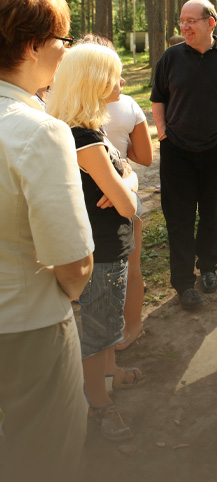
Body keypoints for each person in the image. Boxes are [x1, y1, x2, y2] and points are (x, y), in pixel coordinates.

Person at [0, 0, 94, 482]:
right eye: (63, 40)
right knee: (47, 467)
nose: (66, 53)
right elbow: (74, 262)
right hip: (30, 329)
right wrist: (74, 290)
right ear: (33, 44)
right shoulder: (40, 130)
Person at [48, 43, 141, 440]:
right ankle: (97, 405)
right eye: (114, 74)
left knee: (106, 323)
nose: (121, 81)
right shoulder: (84, 135)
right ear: (93, 81)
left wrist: (126, 183)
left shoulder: (88, 126)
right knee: (99, 326)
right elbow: (127, 205)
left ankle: (109, 374)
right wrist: (126, 188)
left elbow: (129, 182)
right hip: (101, 249)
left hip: (107, 245)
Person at [151, 0, 217, 310]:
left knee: (213, 213)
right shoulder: (170, 57)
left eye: (191, 21)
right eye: (182, 21)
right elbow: (158, 101)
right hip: (177, 152)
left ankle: (208, 267)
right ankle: (183, 283)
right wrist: (164, 134)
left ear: (210, 22)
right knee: (179, 218)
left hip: (216, 151)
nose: (184, 26)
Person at [78, 34, 153, 352]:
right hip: (118, 210)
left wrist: (122, 179)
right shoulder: (127, 105)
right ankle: (130, 328)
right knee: (128, 272)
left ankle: (105, 348)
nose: (120, 80)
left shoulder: (62, 107)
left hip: (95, 210)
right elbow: (146, 158)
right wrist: (125, 177)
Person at [154, 35, 186, 195]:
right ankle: (164, 183)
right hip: (169, 121)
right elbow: (158, 96)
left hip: (183, 122)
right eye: (169, 46)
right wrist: (161, 131)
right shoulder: (166, 64)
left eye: (174, 46)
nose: (170, 49)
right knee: (168, 158)